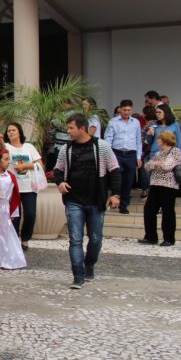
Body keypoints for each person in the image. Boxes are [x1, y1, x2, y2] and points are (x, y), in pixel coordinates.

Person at [52, 113, 121, 289]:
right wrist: (60, 182)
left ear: (82, 128)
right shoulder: (66, 149)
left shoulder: (101, 146)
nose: (68, 131)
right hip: (73, 200)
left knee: (96, 239)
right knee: (75, 239)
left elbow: (115, 170)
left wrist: (115, 194)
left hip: (96, 200)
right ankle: (78, 275)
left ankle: (89, 264)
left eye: (71, 128)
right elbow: (57, 170)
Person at [141, 131, 181, 246]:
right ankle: (150, 237)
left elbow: (167, 166)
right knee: (149, 210)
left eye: (159, 138)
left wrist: (156, 163)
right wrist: (156, 163)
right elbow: (147, 166)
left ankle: (169, 238)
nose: (157, 140)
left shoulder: (175, 151)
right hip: (155, 184)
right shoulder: (159, 152)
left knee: (168, 211)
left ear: (165, 140)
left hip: (168, 185)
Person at [4, 122, 41, 251]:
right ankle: (14, 241)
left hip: (29, 187)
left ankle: (25, 238)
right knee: (15, 215)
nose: (11, 132)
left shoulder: (29, 147)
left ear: (19, 132)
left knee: (30, 214)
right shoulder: (6, 147)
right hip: (12, 187)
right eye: (9, 131)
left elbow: (40, 164)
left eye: (13, 130)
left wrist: (24, 166)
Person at [0, 150, 26, 270]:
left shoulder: (10, 177)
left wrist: (14, 211)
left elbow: (15, 196)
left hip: (5, 209)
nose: (9, 162)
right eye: (6, 159)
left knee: (5, 233)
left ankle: (5, 258)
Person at [104, 100, 142, 214]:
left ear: (132, 110)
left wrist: (138, 156)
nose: (126, 112)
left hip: (131, 154)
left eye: (129, 110)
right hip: (117, 153)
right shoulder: (113, 121)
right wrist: (108, 154)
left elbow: (138, 140)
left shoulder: (136, 122)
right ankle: (115, 199)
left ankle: (124, 205)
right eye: (124, 110)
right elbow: (108, 138)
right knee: (116, 178)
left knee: (128, 180)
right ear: (120, 109)